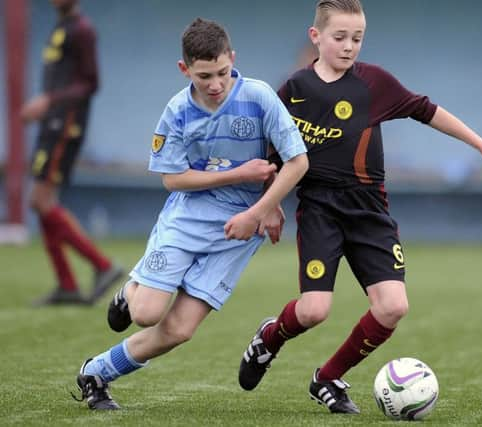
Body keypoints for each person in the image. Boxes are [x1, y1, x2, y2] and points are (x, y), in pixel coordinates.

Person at [238, 0, 482, 415]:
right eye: (340, 37)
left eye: (357, 38)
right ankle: (269, 338)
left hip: (369, 210)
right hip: (319, 208)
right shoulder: (293, 89)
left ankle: (327, 378)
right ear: (316, 37)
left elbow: (429, 111)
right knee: (314, 311)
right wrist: (271, 205)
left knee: (393, 306)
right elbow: (272, 149)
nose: (349, 47)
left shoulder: (375, 84)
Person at [72, 17, 308, 410]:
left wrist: (264, 208)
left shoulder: (260, 96)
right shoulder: (177, 111)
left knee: (180, 330)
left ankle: (96, 373)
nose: (215, 84)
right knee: (147, 314)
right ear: (185, 70)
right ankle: (131, 291)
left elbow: (297, 162)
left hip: (239, 230)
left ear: (232, 58)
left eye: (221, 73)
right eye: (204, 76)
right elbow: (173, 179)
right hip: (188, 219)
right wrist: (240, 175)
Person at [21, 0, 123, 306]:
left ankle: (103, 266)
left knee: (40, 200)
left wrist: (48, 100)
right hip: (52, 123)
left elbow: (91, 83)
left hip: (65, 125)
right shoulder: (61, 28)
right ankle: (66, 284)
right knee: (41, 202)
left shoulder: (83, 30)